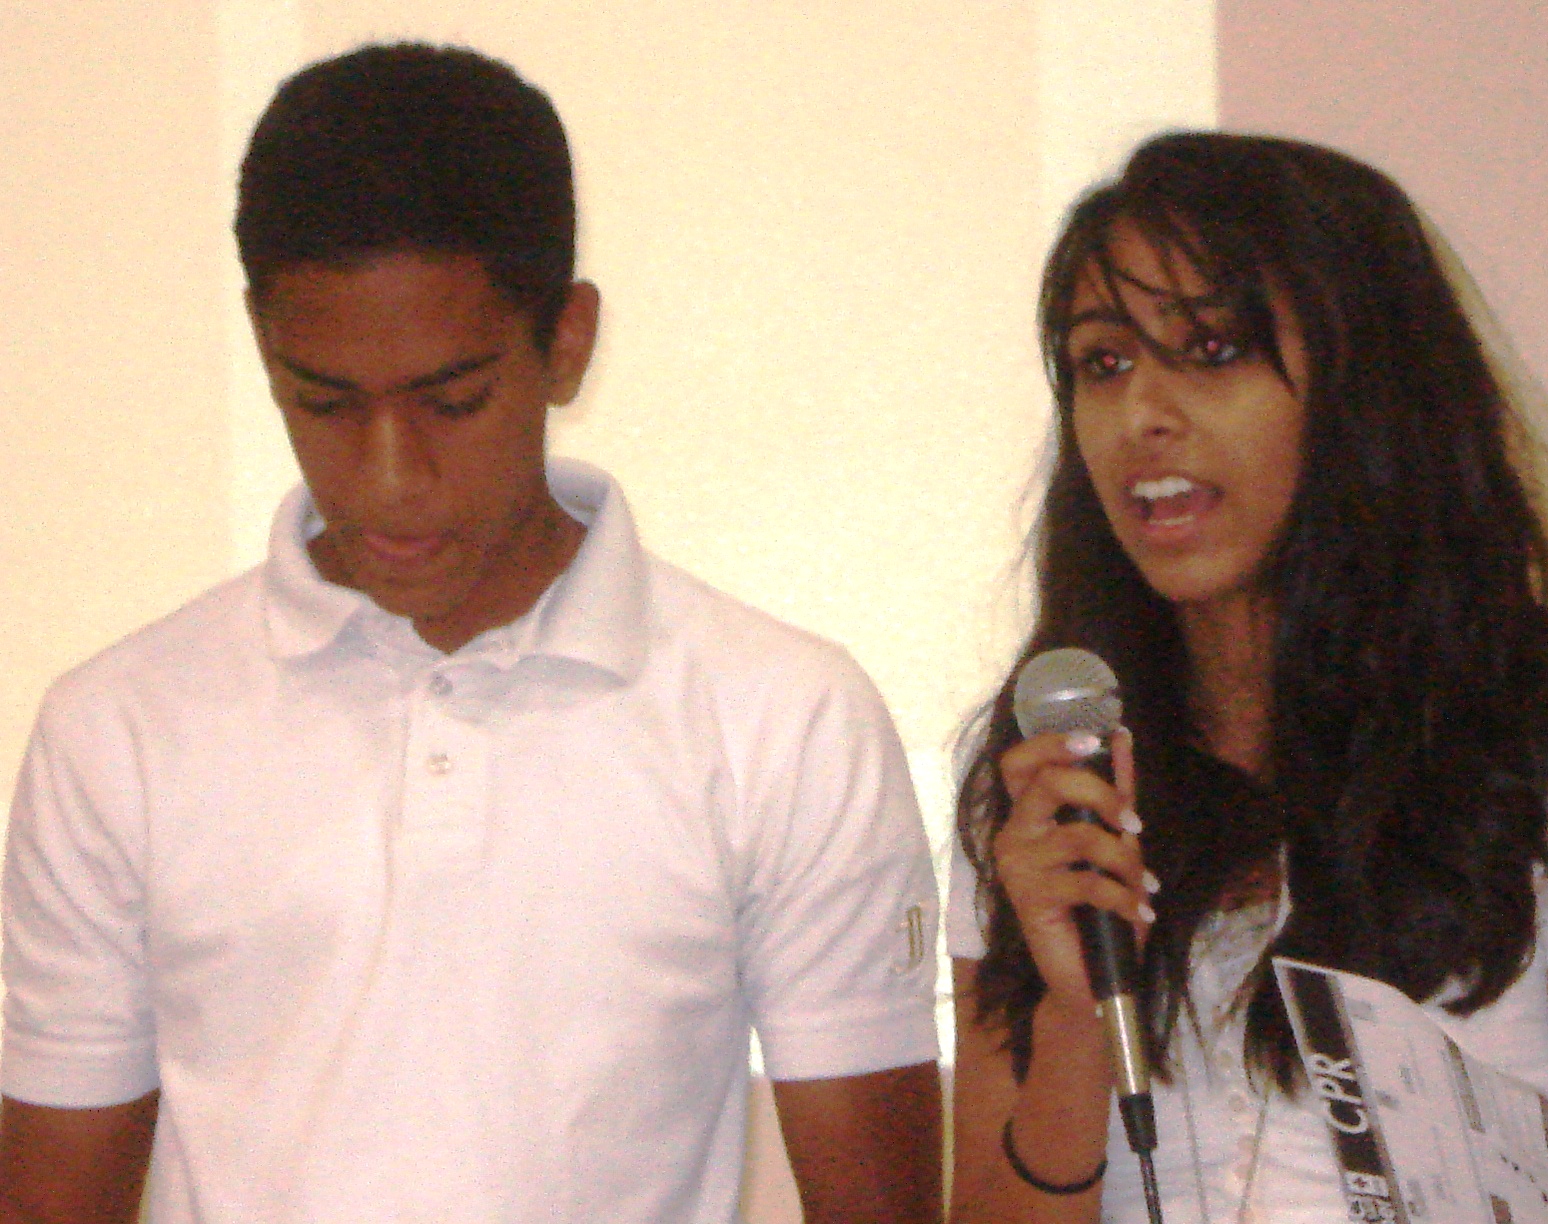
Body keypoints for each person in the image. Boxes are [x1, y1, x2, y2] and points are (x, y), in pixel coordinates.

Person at [0, 43, 942, 1224]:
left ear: (568, 343)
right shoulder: (118, 732)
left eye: (452, 402)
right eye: (324, 402)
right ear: (263, 344)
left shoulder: (783, 719)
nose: (390, 477)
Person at [946, 130, 1548, 1222]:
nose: (1142, 415)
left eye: (1211, 349)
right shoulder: (1045, 777)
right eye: (1103, 363)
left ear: (1363, 391)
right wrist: (1076, 1017)